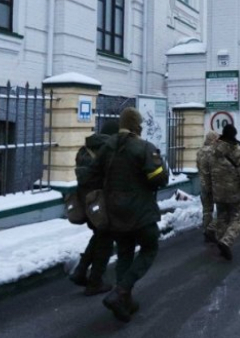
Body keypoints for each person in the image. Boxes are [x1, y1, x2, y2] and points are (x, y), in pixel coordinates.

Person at [88, 107, 168, 322]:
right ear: (136, 125)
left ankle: (124, 302)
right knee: (150, 248)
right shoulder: (144, 148)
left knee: (125, 253)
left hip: (115, 213)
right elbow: (158, 179)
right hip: (141, 212)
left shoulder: (107, 147)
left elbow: (92, 176)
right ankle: (121, 291)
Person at [69, 119, 119, 295]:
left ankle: (80, 271)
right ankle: (95, 282)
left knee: (98, 236)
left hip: (87, 201)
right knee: (106, 240)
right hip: (102, 202)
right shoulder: (109, 150)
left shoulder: (85, 149)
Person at [207, 124, 240, 260]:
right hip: (235, 192)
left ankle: (221, 242)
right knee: (238, 217)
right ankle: (226, 241)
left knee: (222, 217)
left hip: (218, 191)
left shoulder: (212, 150)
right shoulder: (239, 152)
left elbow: (209, 170)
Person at [197, 131, 219, 243]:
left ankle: (206, 231)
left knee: (206, 210)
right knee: (222, 209)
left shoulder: (200, 151)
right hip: (215, 184)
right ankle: (212, 230)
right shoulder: (214, 151)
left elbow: (198, 167)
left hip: (203, 184)